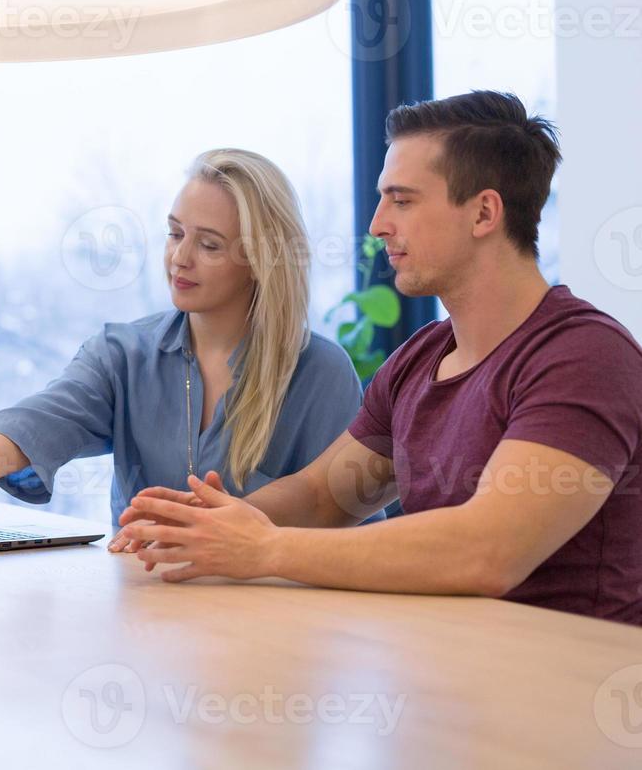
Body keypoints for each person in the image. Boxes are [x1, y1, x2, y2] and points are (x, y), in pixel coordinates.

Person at [116, 91, 642, 625]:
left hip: (571, 691)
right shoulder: (422, 357)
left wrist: (266, 549)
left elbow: (488, 550)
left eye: (402, 200)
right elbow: (324, 496)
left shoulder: (585, 357)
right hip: (457, 679)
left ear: (484, 212)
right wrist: (202, 525)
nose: (377, 224)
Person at [0, 149, 362, 532]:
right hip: (144, 610)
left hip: (275, 625)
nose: (179, 257)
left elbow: (349, 518)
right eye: (175, 233)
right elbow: (44, 418)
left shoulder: (320, 373)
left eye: (209, 244)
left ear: (260, 260)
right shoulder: (125, 354)